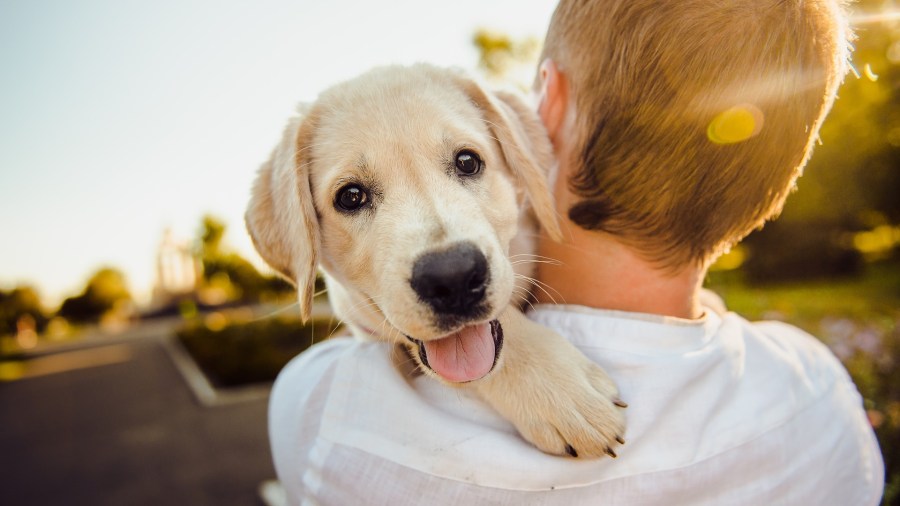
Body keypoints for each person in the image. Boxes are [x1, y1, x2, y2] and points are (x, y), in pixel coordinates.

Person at [268, 0, 885, 503]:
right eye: (353, 196)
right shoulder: (820, 396)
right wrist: (513, 356)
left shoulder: (326, 414)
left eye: (465, 163)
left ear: (544, 112)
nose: (446, 255)